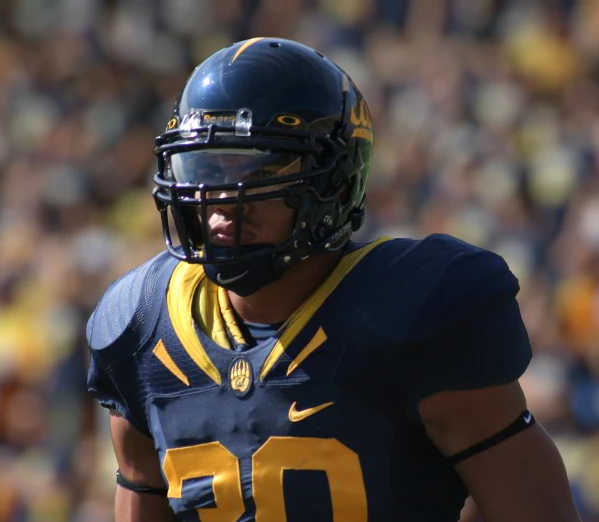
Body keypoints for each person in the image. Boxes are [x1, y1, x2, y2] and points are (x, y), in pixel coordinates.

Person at [86, 37, 581, 522]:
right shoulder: (141, 324)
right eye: (205, 169)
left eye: (257, 172)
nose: (221, 199)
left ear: (333, 182)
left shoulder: (415, 308)